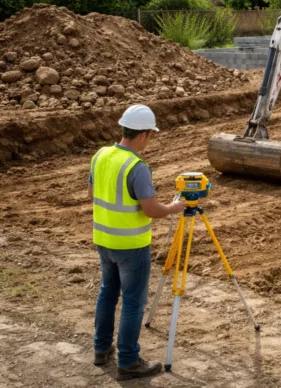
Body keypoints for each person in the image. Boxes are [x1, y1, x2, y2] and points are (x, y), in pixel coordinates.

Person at [89, 104, 186, 380]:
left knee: (108, 292)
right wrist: (174, 207)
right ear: (143, 134)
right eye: (151, 135)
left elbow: (92, 192)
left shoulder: (100, 155)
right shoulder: (137, 167)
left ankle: (101, 348)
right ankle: (129, 361)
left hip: (104, 240)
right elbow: (152, 210)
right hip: (131, 246)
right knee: (132, 302)